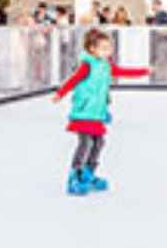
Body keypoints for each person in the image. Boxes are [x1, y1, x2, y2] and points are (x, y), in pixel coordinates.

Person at [51, 29, 150, 194]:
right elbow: (74, 79)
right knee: (86, 143)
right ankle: (74, 175)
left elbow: (123, 72)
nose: (107, 51)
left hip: (97, 113)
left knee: (99, 142)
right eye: (103, 48)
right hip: (84, 112)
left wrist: (144, 71)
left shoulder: (106, 66)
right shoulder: (87, 65)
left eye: (109, 48)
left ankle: (88, 173)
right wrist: (60, 93)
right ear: (92, 49)